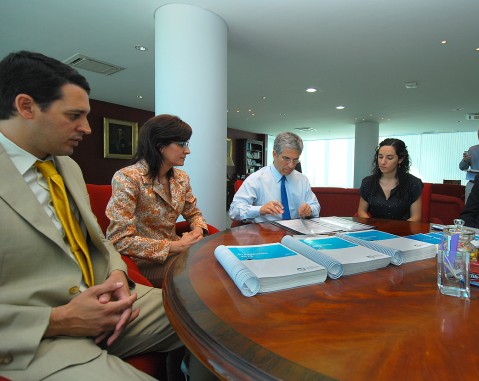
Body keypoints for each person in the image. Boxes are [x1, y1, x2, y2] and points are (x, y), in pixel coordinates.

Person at [0, 51, 214, 381]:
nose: (87, 128)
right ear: (26, 106)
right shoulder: (127, 177)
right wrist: (58, 320)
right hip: (40, 332)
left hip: (111, 295)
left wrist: (115, 273)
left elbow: (98, 239)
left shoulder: (66, 166)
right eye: (75, 115)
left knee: (214, 314)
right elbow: (121, 236)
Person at [106, 114, 208, 288]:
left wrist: (197, 230)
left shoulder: (181, 178)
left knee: (218, 262)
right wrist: (175, 246)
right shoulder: (128, 178)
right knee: (204, 271)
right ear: (160, 146)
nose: (187, 151)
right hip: (144, 261)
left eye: (187, 144)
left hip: (178, 252)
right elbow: (119, 240)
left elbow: (194, 213)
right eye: (181, 144)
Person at [229, 131, 320, 223]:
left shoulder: (302, 180)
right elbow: (234, 210)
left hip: (297, 233)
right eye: (286, 158)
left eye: (295, 160)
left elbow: (315, 206)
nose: (291, 165)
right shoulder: (256, 179)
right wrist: (260, 210)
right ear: (274, 154)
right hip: (265, 233)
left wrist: (310, 209)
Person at [358, 138, 423, 221]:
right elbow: (361, 211)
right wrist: (373, 227)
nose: (382, 162)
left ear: (400, 159)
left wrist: (397, 231)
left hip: (403, 232)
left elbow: (416, 217)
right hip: (375, 231)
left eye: (389, 158)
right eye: (380, 157)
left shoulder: (413, 183)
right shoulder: (368, 182)